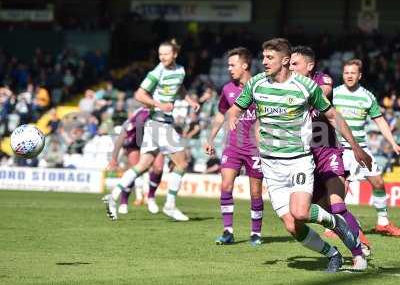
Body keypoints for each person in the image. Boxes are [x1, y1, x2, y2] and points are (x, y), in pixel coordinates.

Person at [227, 38, 372, 273]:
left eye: (269, 58)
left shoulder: (305, 86)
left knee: (301, 212)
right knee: (292, 226)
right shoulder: (256, 84)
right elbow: (236, 108)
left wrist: (355, 146)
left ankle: (341, 230)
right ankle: (332, 254)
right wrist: (233, 116)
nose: (263, 62)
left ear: (285, 61)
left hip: (298, 161)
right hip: (271, 167)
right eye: (263, 57)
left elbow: (333, 116)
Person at [289, 46, 369, 270]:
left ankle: (359, 253)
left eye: (295, 64)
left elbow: (322, 93)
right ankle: (347, 242)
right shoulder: (287, 87)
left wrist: (355, 147)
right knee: (308, 213)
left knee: (337, 205)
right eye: (289, 64)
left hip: (328, 150)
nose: (291, 68)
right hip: (305, 157)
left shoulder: (321, 80)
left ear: (310, 66)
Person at [104, 39, 200, 221]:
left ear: (175, 54)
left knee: (142, 165)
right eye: (160, 54)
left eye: (165, 53)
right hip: (158, 124)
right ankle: (170, 205)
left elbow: (179, 88)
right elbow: (139, 94)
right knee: (182, 163)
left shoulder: (180, 71)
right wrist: (159, 104)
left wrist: (190, 101)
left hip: (157, 125)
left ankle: (112, 196)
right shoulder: (157, 72)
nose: (162, 57)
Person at [204, 47, 264, 246]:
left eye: (232, 65)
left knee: (255, 192)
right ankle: (228, 231)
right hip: (233, 147)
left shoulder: (260, 87)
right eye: (228, 65)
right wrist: (210, 138)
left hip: (255, 149)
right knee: (226, 186)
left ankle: (256, 233)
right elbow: (222, 114)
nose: (229, 69)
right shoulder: (228, 89)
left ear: (245, 65)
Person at [333, 59, 400, 236]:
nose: (349, 75)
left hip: (361, 149)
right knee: (341, 188)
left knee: (378, 182)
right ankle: (333, 225)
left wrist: (393, 143)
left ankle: (383, 223)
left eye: (353, 73)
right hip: (340, 149)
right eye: (346, 72)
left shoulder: (367, 96)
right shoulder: (334, 94)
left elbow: (380, 121)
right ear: (343, 74)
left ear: (359, 75)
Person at [107, 106, 164, 215]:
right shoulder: (137, 119)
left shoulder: (162, 114)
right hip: (135, 143)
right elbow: (121, 138)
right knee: (135, 170)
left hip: (154, 141)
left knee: (159, 168)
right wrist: (114, 158)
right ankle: (123, 202)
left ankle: (151, 197)